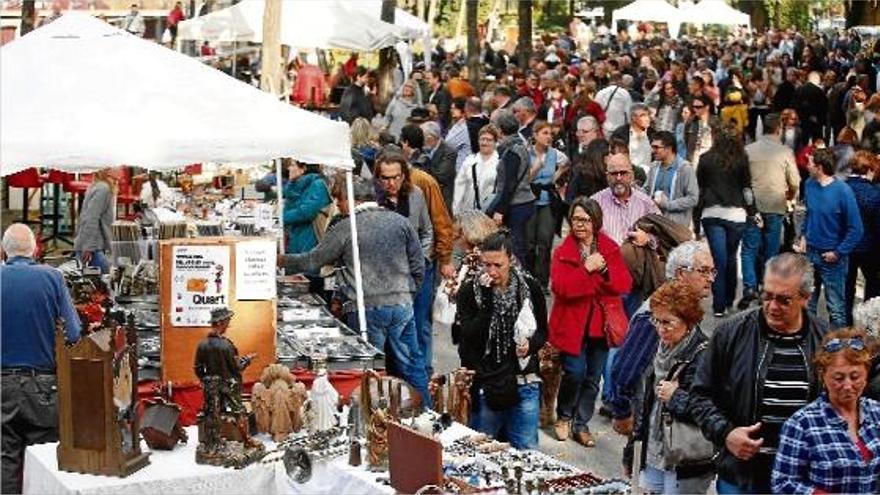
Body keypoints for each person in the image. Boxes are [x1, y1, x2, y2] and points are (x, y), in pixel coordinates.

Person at [279, 177, 430, 406]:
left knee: (369, 373)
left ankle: (374, 423)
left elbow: (313, 260)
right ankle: (429, 416)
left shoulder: (345, 227)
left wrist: (279, 259)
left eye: (340, 200)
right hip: (401, 305)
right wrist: (408, 295)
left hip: (365, 308)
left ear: (351, 199)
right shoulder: (400, 222)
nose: (338, 206)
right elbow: (419, 265)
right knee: (412, 365)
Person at [690, 253, 830, 494]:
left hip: (803, 479)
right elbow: (699, 396)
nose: (772, 307)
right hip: (742, 476)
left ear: (806, 298)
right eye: (767, 296)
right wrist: (727, 433)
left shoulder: (826, 341)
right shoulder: (730, 333)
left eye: (784, 300)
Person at [609, 241, 716, 474]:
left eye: (712, 271)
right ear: (681, 274)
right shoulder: (657, 315)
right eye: (704, 271)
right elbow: (624, 368)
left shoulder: (682, 312)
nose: (711, 278)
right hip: (648, 432)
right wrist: (621, 411)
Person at [1, 224, 81, 495]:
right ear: (35, 249)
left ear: (4, 251)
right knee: (44, 460)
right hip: (43, 387)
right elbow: (73, 332)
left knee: (6, 457)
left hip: (3, 385)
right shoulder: (53, 277)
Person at [549, 197, 632, 447]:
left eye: (585, 220)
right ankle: (564, 415)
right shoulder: (563, 251)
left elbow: (623, 285)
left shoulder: (609, 247)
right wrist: (586, 270)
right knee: (574, 372)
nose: (580, 225)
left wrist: (604, 272)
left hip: (600, 323)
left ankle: (581, 423)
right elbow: (562, 288)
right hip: (572, 323)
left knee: (593, 377)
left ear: (595, 222)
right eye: (575, 219)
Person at [457, 230, 547, 449]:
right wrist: (487, 302)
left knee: (526, 454)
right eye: (486, 265)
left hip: (523, 380)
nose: (492, 271)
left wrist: (530, 346)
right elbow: (468, 338)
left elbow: (543, 332)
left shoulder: (529, 288)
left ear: (511, 260)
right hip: (487, 383)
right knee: (481, 452)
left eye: (498, 265)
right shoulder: (470, 291)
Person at [771, 328, 880, 494]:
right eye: (838, 378)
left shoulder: (876, 412)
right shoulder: (801, 424)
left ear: (866, 375)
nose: (848, 385)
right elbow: (782, 483)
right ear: (823, 376)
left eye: (855, 376)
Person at [637, 280, 715, 494]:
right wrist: (633, 447)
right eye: (657, 321)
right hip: (654, 449)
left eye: (668, 322)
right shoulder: (660, 347)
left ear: (688, 321)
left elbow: (712, 412)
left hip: (685, 457)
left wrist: (676, 397)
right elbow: (647, 404)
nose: (660, 329)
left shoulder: (704, 355)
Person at [738, 113, 801, 309]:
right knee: (771, 250)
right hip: (775, 205)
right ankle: (767, 285)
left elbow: (741, 180)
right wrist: (790, 196)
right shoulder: (784, 152)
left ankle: (749, 286)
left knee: (749, 249)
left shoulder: (748, 150)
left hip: (753, 207)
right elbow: (795, 181)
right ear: (778, 129)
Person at [796, 148, 864, 329]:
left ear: (819, 167)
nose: (806, 166)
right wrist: (803, 235)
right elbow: (809, 214)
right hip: (810, 253)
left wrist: (838, 252)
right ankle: (809, 343)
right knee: (807, 303)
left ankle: (838, 348)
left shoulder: (843, 191)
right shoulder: (809, 184)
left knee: (836, 308)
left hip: (832, 258)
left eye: (809, 163)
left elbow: (856, 229)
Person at [697, 125, 754, 317]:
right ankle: (729, 300)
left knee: (718, 261)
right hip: (736, 214)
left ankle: (718, 305)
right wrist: (753, 211)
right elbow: (747, 188)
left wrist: (696, 222)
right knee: (731, 258)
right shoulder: (741, 159)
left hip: (712, 213)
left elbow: (701, 191)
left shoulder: (705, 159)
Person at [193, 307, 256, 434]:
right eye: (227, 321)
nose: (228, 324)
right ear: (220, 323)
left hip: (212, 385)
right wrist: (247, 359)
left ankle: (214, 439)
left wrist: (206, 380)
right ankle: (246, 439)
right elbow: (237, 367)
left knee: (214, 412)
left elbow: (197, 368)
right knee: (238, 411)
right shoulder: (227, 345)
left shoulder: (202, 344)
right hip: (230, 385)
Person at [485, 110, 535, 266]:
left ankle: (521, 282)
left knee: (516, 248)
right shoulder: (519, 146)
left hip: (517, 205)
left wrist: (500, 210)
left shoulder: (512, 151)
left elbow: (509, 184)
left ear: (500, 130)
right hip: (523, 202)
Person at [526, 121, 569, 291]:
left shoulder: (554, 154)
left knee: (545, 242)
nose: (549, 137)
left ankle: (542, 282)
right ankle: (528, 279)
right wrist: (536, 168)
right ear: (535, 135)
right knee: (529, 243)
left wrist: (557, 175)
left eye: (550, 134)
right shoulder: (526, 152)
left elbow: (565, 164)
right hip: (529, 199)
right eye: (545, 133)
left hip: (547, 201)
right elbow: (524, 180)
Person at [447, 210, 498, 344]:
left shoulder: (477, 260)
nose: (455, 241)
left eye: (458, 236)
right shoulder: (493, 253)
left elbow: (457, 293)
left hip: (480, 330)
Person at [845, 151, 880, 325]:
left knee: (846, 287)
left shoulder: (842, 188)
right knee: (873, 285)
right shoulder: (875, 192)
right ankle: (868, 323)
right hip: (869, 246)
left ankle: (845, 324)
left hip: (845, 245)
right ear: (869, 169)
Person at [645, 130, 699, 229]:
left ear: (669, 148)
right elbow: (646, 190)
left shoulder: (685, 169)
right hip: (654, 224)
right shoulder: (654, 167)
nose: (653, 151)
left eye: (656, 147)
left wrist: (669, 205)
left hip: (676, 228)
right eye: (652, 147)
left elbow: (693, 198)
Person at [74, 167, 119, 274]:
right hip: (93, 248)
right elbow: (91, 217)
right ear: (107, 170)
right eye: (116, 166)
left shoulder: (98, 186)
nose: (120, 170)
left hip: (93, 245)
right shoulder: (103, 189)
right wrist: (89, 246)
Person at [282, 161, 331, 258]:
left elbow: (307, 212)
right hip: (294, 237)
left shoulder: (318, 184)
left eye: (292, 165)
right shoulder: (293, 187)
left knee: (306, 269)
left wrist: (281, 217)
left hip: (309, 237)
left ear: (303, 168)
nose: (288, 168)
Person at [453, 124, 499, 216]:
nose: (484, 143)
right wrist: (456, 212)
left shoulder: (500, 162)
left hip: (490, 214)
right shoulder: (469, 161)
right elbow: (459, 187)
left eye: (489, 140)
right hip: (468, 214)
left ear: (495, 142)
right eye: (482, 139)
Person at [420, 121, 457, 212]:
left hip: (441, 200)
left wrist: (426, 162)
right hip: (425, 199)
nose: (421, 141)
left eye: (422, 138)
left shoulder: (449, 152)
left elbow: (441, 177)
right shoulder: (423, 150)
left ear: (430, 138)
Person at [610, 103, 654, 175]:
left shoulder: (653, 134)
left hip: (649, 175)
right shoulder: (620, 134)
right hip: (627, 174)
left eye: (648, 115)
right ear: (633, 117)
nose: (647, 119)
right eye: (643, 116)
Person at [445, 97, 473, 171]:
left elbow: (448, 144)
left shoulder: (464, 126)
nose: (451, 111)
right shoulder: (458, 124)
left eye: (454, 108)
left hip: (463, 167)